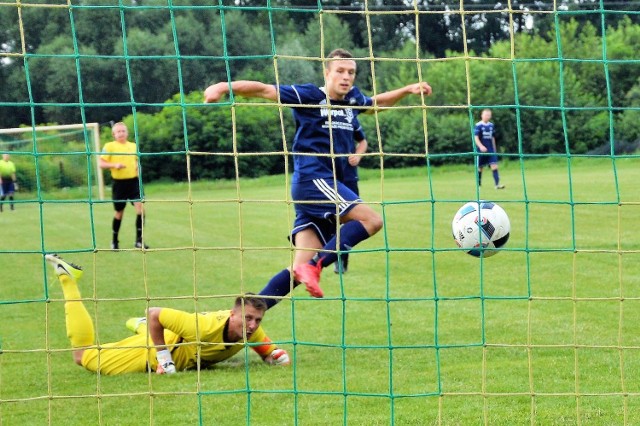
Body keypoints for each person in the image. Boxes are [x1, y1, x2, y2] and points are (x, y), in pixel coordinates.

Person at [204, 48, 432, 307]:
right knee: (371, 220)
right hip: (313, 179)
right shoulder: (310, 96)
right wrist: (223, 86)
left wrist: (407, 90)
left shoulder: (353, 100)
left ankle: (247, 317)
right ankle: (316, 266)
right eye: (340, 71)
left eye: (351, 72)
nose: (346, 77)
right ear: (327, 73)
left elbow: (376, 104)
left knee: (297, 271)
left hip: (323, 188)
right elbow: (264, 90)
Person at [45, 254, 290, 375]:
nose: (252, 325)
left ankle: (139, 325)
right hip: (153, 350)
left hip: (172, 335)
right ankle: (68, 278)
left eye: (257, 319)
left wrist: (273, 357)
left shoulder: (252, 331)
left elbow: (268, 351)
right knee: (83, 356)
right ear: (232, 314)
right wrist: (164, 358)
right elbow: (155, 313)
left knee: (149, 326)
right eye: (247, 318)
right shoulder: (202, 326)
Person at [99, 122, 148, 250]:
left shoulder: (133, 146)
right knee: (119, 212)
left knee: (141, 208)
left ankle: (139, 241)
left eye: (123, 131)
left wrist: (138, 167)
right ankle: (114, 241)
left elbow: (137, 161)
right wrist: (114, 165)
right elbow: (101, 163)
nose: (121, 133)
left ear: (127, 133)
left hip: (134, 182)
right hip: (119, 184)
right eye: (118, 131)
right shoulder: (109, 146)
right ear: (114, 134)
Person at [334, 116, 368, 275]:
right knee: (329, 219)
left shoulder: (350, 116)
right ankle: (317, 256)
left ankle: (342, 261)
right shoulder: (318, 113)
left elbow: (362, 141)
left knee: (350, 220)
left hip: (348, 176)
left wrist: (358, 155)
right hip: (326, 174)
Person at [474, 109, 505, 189]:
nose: (487, 116)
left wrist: (494, 149)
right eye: (486, 115)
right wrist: (481, 146)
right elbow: (476, 138)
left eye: (489, 115)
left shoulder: (491, 125)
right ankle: (479, 184)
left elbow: (492, 138)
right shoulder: (478, 125)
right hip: (481, 151)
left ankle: (497, 185)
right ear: (482, 115)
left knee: (494, 166)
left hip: (490, 150)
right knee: (480, 167)